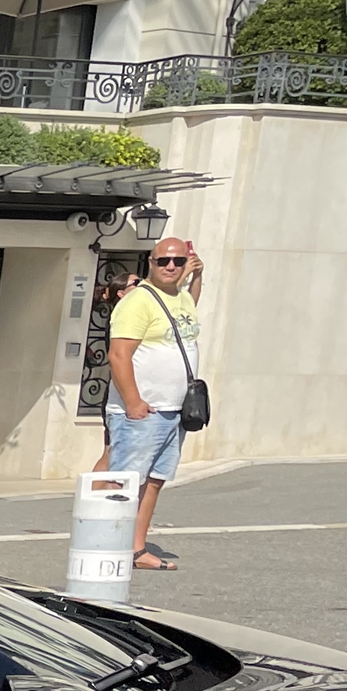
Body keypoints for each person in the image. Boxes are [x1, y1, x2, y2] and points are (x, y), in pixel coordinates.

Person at [104, 237, 205, 571]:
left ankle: (135, 549)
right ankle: (107, 546)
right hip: (144, 411)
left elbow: (186, 315)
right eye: (164, 261)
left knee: (155, 480)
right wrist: (133, 402)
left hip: (173, 411)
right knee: (126, 481)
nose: (171, 267)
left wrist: (197, 278)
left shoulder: (179, 298)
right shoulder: (137, 302)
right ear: (151, 262)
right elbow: (119, 355)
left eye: (177, 261)